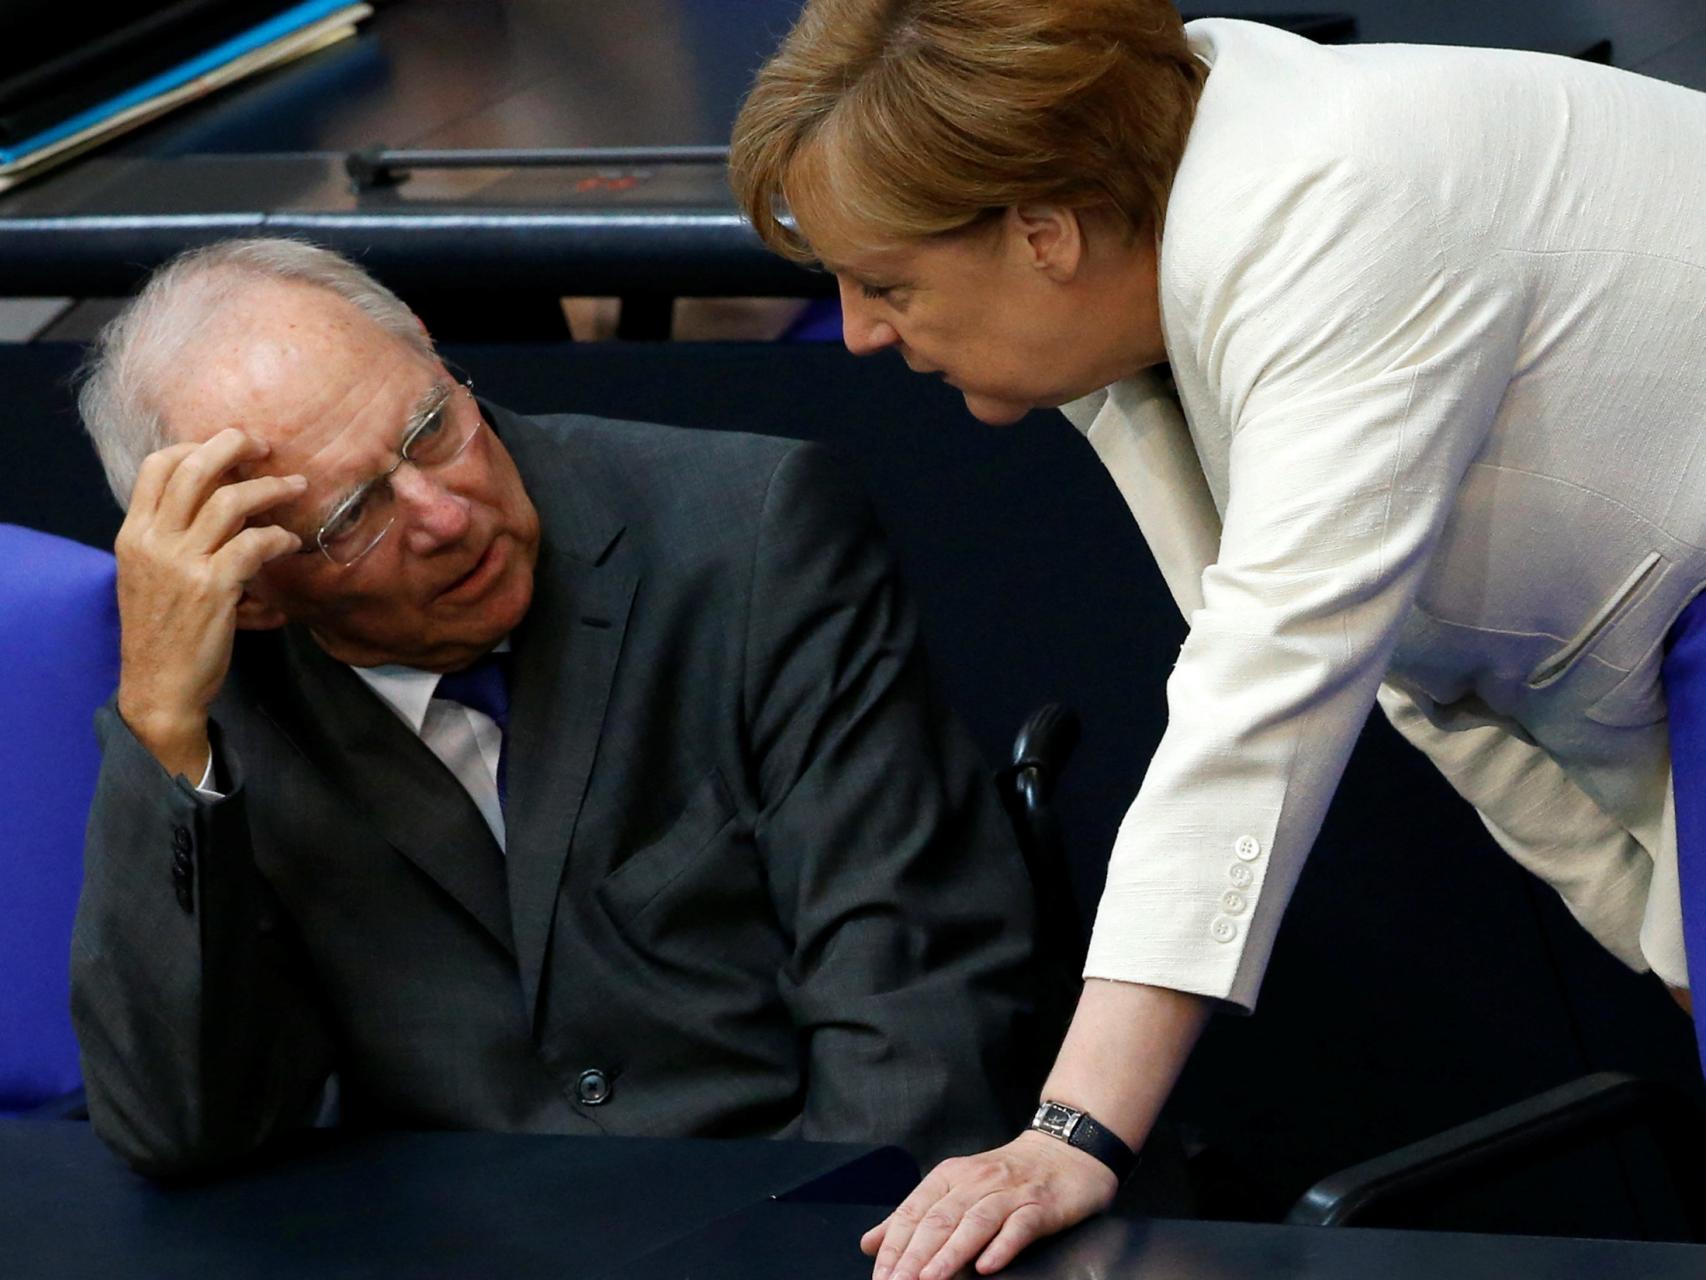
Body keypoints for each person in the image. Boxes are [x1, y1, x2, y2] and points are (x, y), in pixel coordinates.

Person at [729, 2, 1706, 1276]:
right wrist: (1668, 939)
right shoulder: (1135, 266)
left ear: (1040, 232)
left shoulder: (1331, 212)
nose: (856, 331)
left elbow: (1261, 698)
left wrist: (1069, 1130)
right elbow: (1425, 684)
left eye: (886, 282)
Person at [68, 237, 1039, 1177]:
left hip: (790, 1207)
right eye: (354, 515)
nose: (445, 514)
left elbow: (910, 1007)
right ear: (256, 591)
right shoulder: (221, 692)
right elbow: (179, 1129)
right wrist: (160, 731)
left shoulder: (746, 537)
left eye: (429, 428)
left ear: (428, 348)